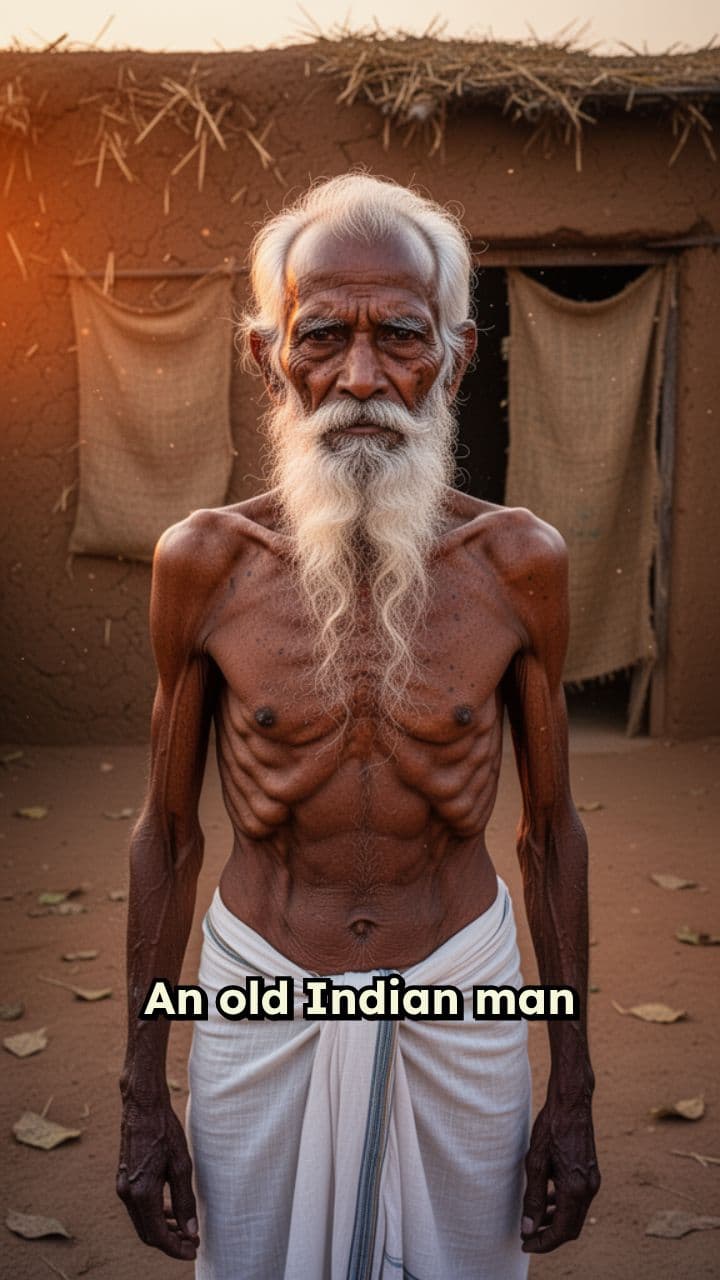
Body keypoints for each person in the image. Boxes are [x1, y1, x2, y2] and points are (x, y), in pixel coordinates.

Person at [117, 172, 600, 1279]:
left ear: (458, 355)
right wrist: (142, 1096)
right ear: (265, 354)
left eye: (403, 337)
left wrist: (572, 1092)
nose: (363, 377)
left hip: (462, 988)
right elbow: (167, 833)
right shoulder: (203, 564)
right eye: (324, 334)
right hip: (259, 990)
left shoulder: (522, 564)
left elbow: (549, 833)